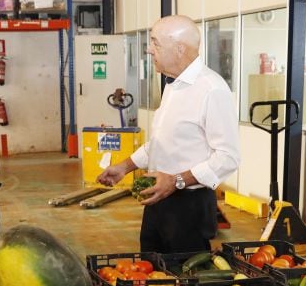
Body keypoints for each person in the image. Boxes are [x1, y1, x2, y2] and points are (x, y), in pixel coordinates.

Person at [96, 15, 240, 254]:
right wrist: (124, 166)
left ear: (179, 48)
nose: (149, 50)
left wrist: (176, 180)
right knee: (152, 274)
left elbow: (228, 157)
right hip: (159, 199)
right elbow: (162, 143)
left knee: (185, 281)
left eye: (155, 43)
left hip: (189, 207)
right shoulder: (173, 86)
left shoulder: (211, 89)